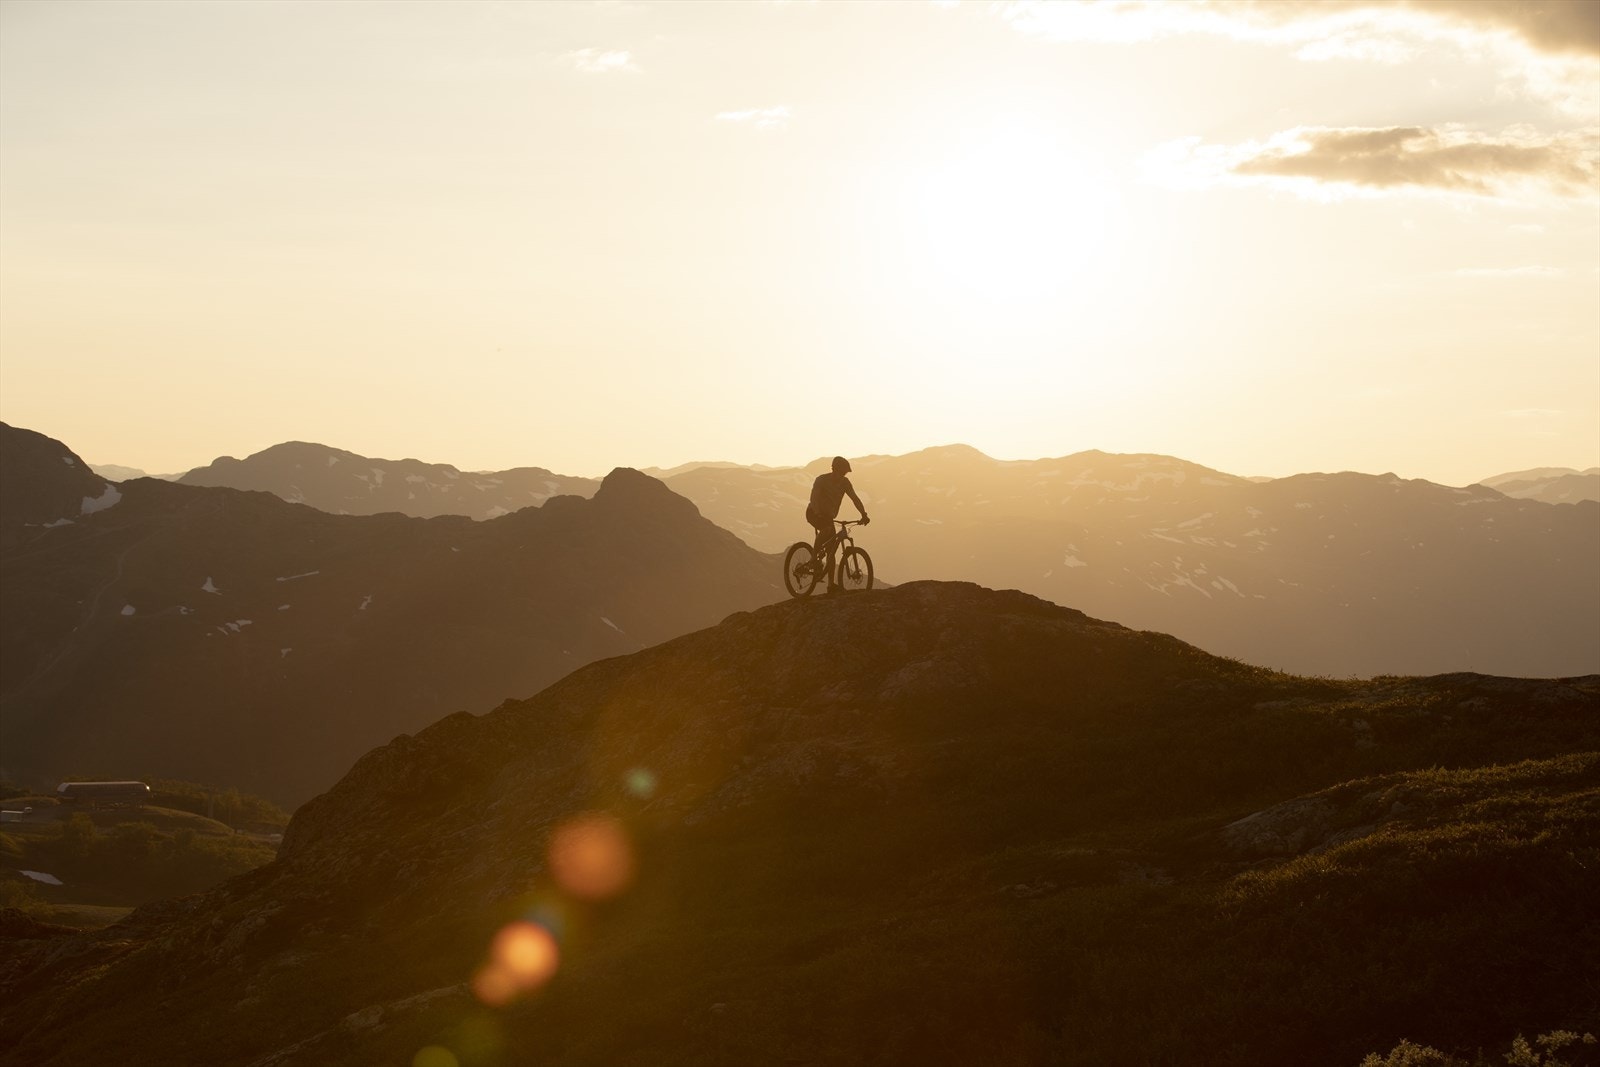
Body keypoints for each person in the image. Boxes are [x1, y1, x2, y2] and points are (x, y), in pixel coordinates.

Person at [807, 456, 870, 591]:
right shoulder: (821, 480)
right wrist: (818, 513)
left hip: (828, 517)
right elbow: (814, 498)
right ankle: (813, 559)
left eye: (845, 473)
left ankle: (830, 585)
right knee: (826, 530)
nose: (843, 475)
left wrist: (864, 514)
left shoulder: (845, 483)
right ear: (834, 469)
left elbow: (855, 498)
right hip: (813, 512)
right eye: (841, 472)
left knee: (831, 552)